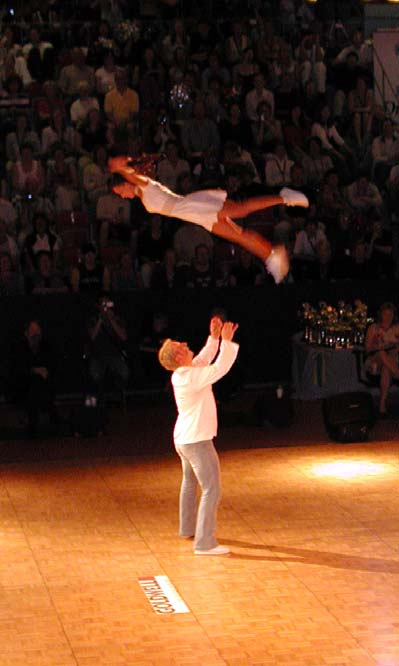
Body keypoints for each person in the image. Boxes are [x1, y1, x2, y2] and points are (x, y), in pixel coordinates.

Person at [109, 155, 309, 283]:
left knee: (240, 210)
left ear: (125, 184)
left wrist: (119, 168)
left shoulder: (143, 184)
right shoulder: (140, 190)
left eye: (120, 191)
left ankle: (284, 197)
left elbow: (129, 173)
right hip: (194, 214)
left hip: (194, 206)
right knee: (239, 236)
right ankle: (272, 255)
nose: (121, 196)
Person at [158, 315, 239, 555]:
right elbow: (219, 368)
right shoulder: (190, 378)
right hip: (196, 441)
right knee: (211, 488)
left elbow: (203, 360)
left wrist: (214, 338)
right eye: (179, 347)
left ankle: (187, 528)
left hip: (185, 439)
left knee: (190, 482)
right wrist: (226, 342)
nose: (184, 344)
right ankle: (205, 543)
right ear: (178, 358)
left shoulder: (184, 374)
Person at [365, 302, 399, 417]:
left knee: (386, 369)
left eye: (391, 315)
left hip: (392, 360)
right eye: (386, 314)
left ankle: (382, 405)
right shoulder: (373, 328)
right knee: (382, 353)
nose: (388, 317)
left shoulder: (397, 328)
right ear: (381, 315)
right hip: (375, 361)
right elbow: (367, 349)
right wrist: (379, 347)